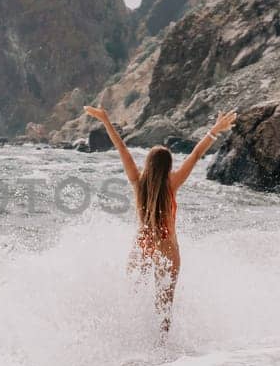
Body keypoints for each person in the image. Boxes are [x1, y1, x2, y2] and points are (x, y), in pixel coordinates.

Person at [83, 105, 237, 329]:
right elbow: (195, 155)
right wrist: (214, 130)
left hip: (143, 244)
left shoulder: (138, 182)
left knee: (133, 297)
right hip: (167, 246)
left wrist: (106, 120)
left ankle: (129, 338)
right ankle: (162, 352)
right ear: (168, 168)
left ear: (148, 164)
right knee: (164, 305)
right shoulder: (171, 185)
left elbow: (122, 149)